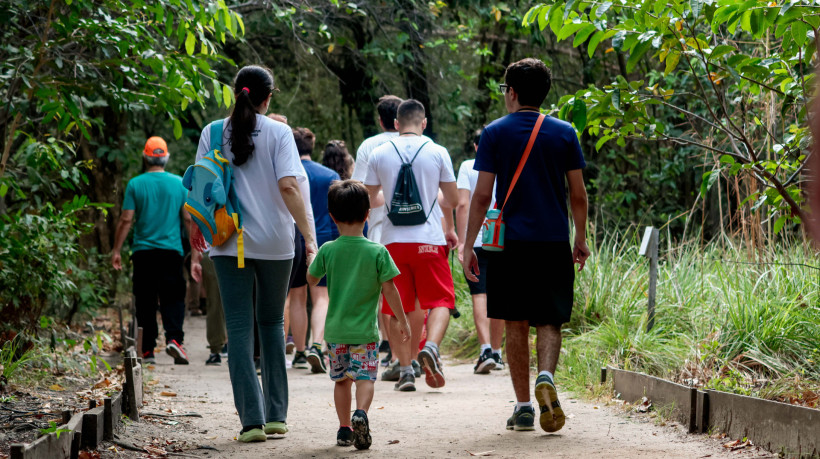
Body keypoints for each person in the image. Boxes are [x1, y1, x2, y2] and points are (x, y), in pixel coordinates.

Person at [462, 58, 590, 433]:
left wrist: (468, 245)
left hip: (509, 245)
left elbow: (483, 194)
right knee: (549, 319)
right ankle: (546, 376)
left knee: (515, 322)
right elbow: (578, 195)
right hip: (552, 241)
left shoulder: (494, 133)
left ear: (512, 93)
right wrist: (579, 237)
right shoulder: (565, 132)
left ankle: (522, 408)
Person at [190, 65, 316, 443]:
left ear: (235, 93)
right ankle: (277, 416)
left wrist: (198, 229)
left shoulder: (212, 132)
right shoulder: (279, 132)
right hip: (277, 243)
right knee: (272, 325)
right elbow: (290, 187)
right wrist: (309, 237)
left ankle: (252, 422)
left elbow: (199, 188)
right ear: (268, 97)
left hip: (228, 243)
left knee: (240, 329)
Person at [307, 180, 411, 450]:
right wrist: (401, 319)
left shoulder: (328, 250)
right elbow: (390, 290)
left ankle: (344, 430)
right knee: (365, 378)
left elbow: (312, 278)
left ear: (332, 216)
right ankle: (361, 413)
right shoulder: (378, 251)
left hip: (336, 333)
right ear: (368, 214)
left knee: (342, 381)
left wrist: (312, 259)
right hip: (365, 334)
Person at [364, 99, 459, 392]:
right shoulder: (437, 151)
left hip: (393, 242)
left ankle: (405, 369)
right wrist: (437, 208)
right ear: (424, 123)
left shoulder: (378, 153)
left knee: (396, 309)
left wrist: (390, 201)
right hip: (429, 240)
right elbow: (452, 200)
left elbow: (369, 200)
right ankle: (429, 347)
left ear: (395, 123)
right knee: (441, 300)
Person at [111, 136, 190, 365]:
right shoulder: (179, 184)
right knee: (173, 298)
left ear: (145, 157)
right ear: (166, 157)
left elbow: (126, 220)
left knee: (145, 299)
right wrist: (195, 254)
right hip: (171, 252)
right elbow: (188, 220)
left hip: (144, 252)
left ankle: (147, 350)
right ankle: (175, 340)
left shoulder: (136, 184)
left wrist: (116, 250)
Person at [352, 95, 402, 365]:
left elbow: (360, 191)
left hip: (379, 227)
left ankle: (389, 344)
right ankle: (407, 351)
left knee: (386, 286)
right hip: (414, 228)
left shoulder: (370, 145)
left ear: (380, 119)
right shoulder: (418, 143)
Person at [288, 127, 340, 373]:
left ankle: (298, 351)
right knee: (321, 298)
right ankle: (317, 346)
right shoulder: (328, 175)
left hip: (291, 240)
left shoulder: (286, 173)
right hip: (323, 240)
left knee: (296, 297)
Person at [456, 128, 504, 374]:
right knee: (500, 296)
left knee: (480, 294)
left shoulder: (468, 166)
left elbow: (463, 204)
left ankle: (485, 349)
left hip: (477, 239)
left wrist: (464, 241)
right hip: (503, 237)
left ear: (476, 147)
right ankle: (497, 352)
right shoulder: (507, 163)